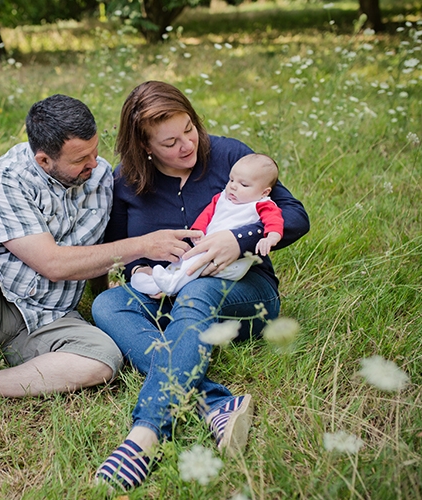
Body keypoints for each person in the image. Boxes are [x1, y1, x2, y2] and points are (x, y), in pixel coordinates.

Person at [0, 94, 201, 462]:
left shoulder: (101, 176)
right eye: (79, 160)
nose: (94, 164)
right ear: (44, 159)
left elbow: (95, 246)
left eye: (94, 151)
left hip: (51, 317)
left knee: (102, 360)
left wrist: (106, 289)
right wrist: (142, 245)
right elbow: (53, 264)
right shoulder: (6, 179)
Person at [91, 81, 309, 490]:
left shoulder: (230, 155)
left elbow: (296, 216)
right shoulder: (128, 180)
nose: (187, 145)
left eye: (189, 129)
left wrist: (239, 239)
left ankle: (147, 433)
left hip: (247, 293)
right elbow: (122, 249)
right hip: (168, 288)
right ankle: (215, 402)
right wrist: (138, 271)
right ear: (145, 146)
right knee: (107, 305)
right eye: (170, 142)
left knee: (196, 293)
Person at [131, 153, 284, 296]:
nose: (233, 186)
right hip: (208, 249)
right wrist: (198, 231)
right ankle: (156, 281)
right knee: (186, 258)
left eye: (243, 184)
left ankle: (171, 286)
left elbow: (275, 221)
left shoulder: (261, 204)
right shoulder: (222, 198)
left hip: (232, 261)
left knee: (195, 262)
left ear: (264, 192)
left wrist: (270, 238)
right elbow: (207, 214)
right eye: (231, 180)